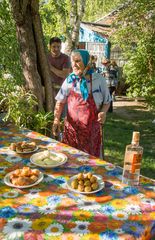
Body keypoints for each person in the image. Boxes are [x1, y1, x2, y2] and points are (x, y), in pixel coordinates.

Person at [52, 49, 111, 157]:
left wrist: (103, 112)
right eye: (72, 61)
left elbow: (107, 101)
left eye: (78, 61)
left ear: (86, 61)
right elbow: (60, 102)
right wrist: (56, 119)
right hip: (72, 131)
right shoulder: (69, 80)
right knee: (70, 160)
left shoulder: (99, 79)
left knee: (90, 163)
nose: (74, 64)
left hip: (91, 133)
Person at [48, 37, 71, 102]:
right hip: (48, 89)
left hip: (61, 89)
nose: (56, 49)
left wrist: (51, 68)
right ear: (49, 46)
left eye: (58, 47)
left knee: (62, 111)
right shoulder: (45, 57)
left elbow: (65, 74)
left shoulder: (66, 58)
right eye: (54, 46)